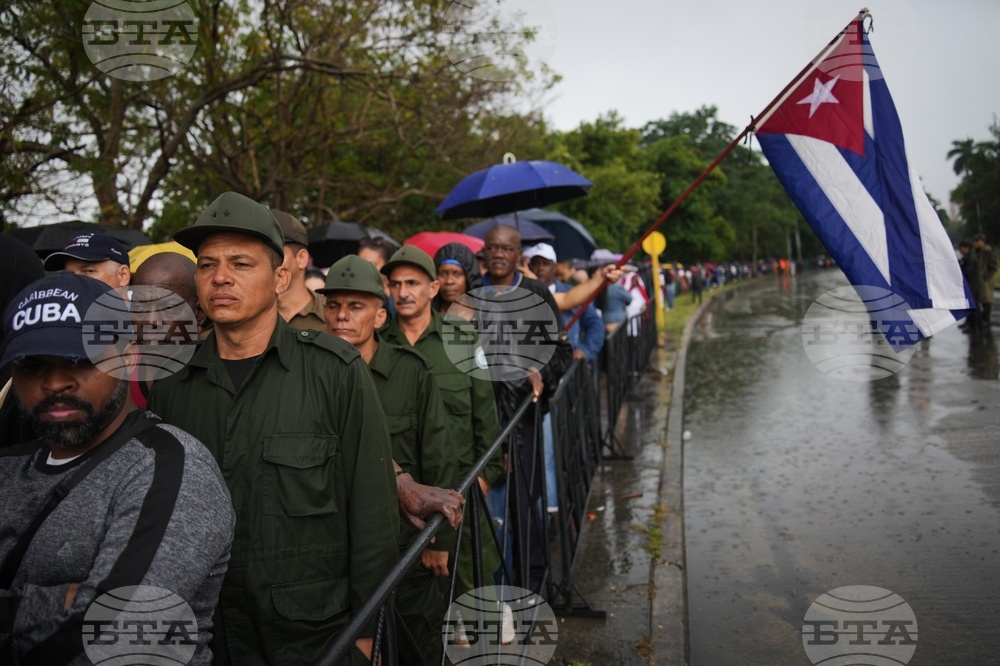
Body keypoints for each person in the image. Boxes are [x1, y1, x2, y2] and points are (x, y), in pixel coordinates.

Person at [147, 192, 399, 665]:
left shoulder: (334, 371)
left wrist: (367, 631)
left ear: (281, 276)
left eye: (241, 263)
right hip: (206, 634)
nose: (220, 277)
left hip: (311, 635)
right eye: (207, 265)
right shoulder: (172, 383)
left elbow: (372, 511)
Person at [0, 273, 234, 664]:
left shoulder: (169, 469)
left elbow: (111, 634)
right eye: (33, 364)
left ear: (129, 358)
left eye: (81, 359)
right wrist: (60, 599)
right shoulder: (8, 469)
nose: (56, 382)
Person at [319, 254, 458, 665]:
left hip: (404, 546)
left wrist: (440, 540)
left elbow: (439, 454)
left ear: (380, 316)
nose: (342, 317)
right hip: (335, 549)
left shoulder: (410, 371)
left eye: (355, 306)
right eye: (333, 305)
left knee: (417, 641)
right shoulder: (309, 373)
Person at [378, 246, 504, 602]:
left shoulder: (462, 339)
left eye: (413, 283)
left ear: (433, 289)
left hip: (461, 484)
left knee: (473, 577)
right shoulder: (379, 345)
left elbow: (486, 414)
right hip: (403, 493)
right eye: (396, 284)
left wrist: (482, 476)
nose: (403, 292)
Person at [479, 225, 573, 593]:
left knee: (524, 505)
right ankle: (497, 587)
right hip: (483, 422)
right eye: (492, 248)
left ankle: (532, 585)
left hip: (525, 420)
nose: (499, 254)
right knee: (492, 513)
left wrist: (539, 371)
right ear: (484, 252)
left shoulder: (536, 293)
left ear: (519, 254)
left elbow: (561, 353)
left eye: (507, 248)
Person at [272, 210, 326, 330]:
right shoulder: (248, 315)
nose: (266, 262)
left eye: (276, 253)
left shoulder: (332, 316)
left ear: (301, 258)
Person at [43, 233, 131, 292]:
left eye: (88, 271)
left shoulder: (142, 317)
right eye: (68, 275)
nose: (74, 281)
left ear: (123, 275)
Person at [434, 242, 481, 317]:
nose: (449, 281)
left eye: (457, 274)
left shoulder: (487, 316)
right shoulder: (426, 316)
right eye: (443, 274)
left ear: (469, 278)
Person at [973, 233, 998, 326]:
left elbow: (994, 266)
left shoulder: (989, 252)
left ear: (982, 242)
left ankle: (985, 320)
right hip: (976, 280)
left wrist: (986, 276)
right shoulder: (975, 252)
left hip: (985, 281)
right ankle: (978, 320)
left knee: (986, 300)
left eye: (977, 241)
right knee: (976, 300)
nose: (975, 243)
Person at [959, 240, 982, 332]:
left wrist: (962, 266)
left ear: (966, 248)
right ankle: (975, 325)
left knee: (973, 307)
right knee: (974, 306)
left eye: (962, 248)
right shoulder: (968, 257)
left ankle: (975, 326)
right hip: (973, 285)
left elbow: (967, 272)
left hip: (972, 286)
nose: (961, 250)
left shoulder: (970, 258)